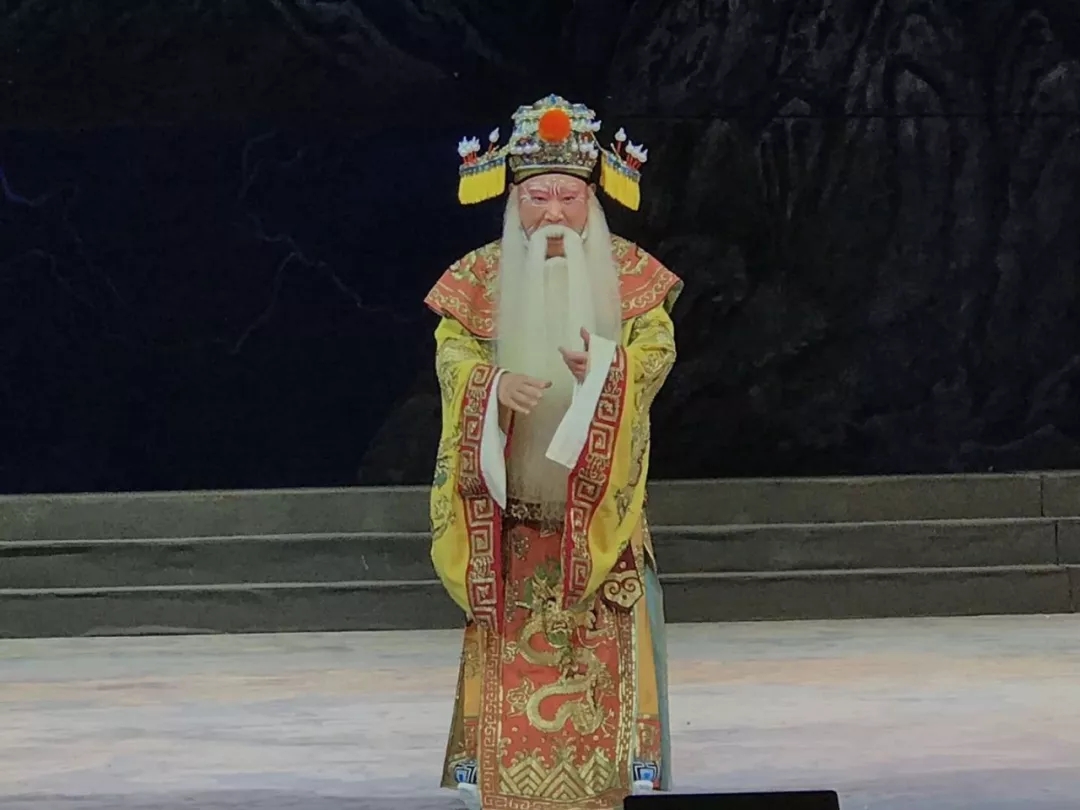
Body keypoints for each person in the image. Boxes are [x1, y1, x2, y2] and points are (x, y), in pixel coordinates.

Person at [424, 94, 682, 810]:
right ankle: (490, 766)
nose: (555, 214)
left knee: (614, 638)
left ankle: (626, 765)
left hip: (597, 521)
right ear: (514, 201)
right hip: (512, 518)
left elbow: (655, 352)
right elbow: (452, 357)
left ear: (594, 200)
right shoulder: (479, 277)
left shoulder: (630, 275)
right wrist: (492, 388)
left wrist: (605, 373)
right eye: (538, 198)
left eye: (570, 197)